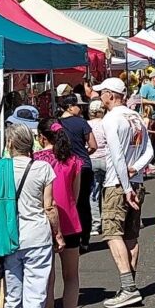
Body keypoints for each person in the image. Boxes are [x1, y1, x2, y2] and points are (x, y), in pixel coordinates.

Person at [0, 122, 64, 308]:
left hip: (8, 238)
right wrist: (58, 234)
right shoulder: (42, 168)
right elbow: (49, 207)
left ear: (9, 144)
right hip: (37, 237)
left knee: (13, 293)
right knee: (36, 292)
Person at [97, 78, 154, 308]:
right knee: (131, 235)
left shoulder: (111, 119)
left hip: (117, 183)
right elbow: (150, 150)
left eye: (103, 93)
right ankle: (129, 284)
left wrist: (126, 184)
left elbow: (117, 155)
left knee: (112, 232)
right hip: (136, 180)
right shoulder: (136, 116)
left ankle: (128, 286)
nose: (100, 96)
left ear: (111, 95)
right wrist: (137, 168)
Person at [35, 119, 84, 308]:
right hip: (70, 223)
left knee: (47, 282)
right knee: (71, 277)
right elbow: (75, 195)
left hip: (43, 224)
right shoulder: (73, 161)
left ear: (41, 137)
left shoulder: (36, 161)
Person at [57, 94, 97, 253]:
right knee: (83, 203)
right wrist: (84, 153)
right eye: (78, 105)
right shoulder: (82, 122)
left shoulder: (57, 124)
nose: (81, 108)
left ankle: (69, 236)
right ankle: (84, 239)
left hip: (65, 166)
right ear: (70, 107)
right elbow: (93, 145)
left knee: (67, 201)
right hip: (83, 165)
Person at [87, 99, 108, 236]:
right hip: (107, 159)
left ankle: (96, 224)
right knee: (108, 191)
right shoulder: (107, 123)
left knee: (93, 194)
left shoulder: (87, 125)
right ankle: (108, 221)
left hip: (92, 159)